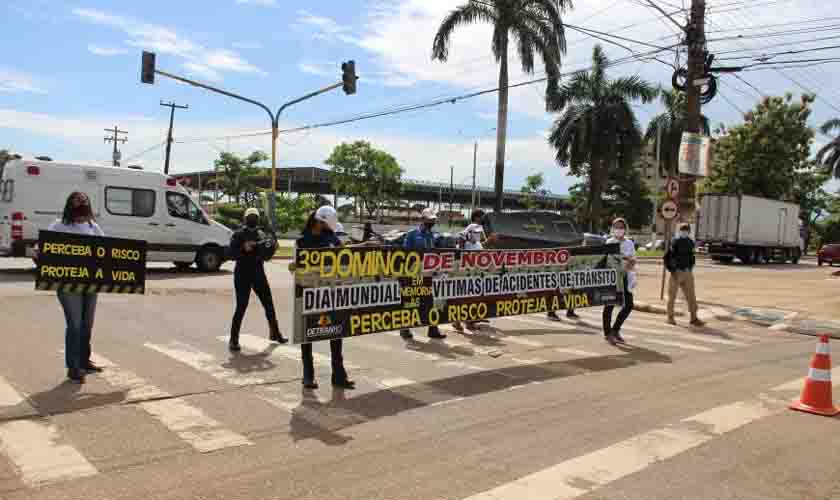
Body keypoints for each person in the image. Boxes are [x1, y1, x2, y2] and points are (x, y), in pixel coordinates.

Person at [48, 192, 105, 384]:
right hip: (67, 284)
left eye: (84, 200)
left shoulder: (93, 226)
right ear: (69, 204)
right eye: (76, 200)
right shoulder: (58, 225)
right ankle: (73, 367)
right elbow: (46, 248)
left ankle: (83, 360)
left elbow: (107, 250)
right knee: (75, 324)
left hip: (90, 282)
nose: (81, 203)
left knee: (87, 324)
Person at [297, 206, 354, 389]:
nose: (328, 227)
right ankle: (308, 375)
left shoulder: (330, 236)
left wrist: (364, 247)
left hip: (331, 293)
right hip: (308, 293)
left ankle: (338, 375)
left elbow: (344, 251)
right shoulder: (302, 241)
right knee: (308, 335)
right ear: (319, 222)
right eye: (325, 224)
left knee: (337, 332)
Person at [228, 207, 287, 352]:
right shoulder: (238, 234)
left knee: (268, 304)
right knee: (241, 306)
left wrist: (273, 247)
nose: (253, 219)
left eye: (255, 217)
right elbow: (231, 253)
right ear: (245, 219)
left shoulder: (261, 234)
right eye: (251, 216)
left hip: (258, 273)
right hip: (242, 274)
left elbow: (266, 255)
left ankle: (275, 333)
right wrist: (243, 248)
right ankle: (233, 339)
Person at [400, 208, 446, 340]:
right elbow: (405, 254)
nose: (432, 222)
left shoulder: (432, 235)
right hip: (413, 274)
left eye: (433, 220)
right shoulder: (412, 234)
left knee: (430, 302)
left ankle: (433, 329)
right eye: (429, 220)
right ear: (423, 219)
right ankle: (404, 328)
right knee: (410, 302)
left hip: (427, 275)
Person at [602, 218, 636, 345]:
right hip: (612, 277)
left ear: (625, 229)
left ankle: (615, 329)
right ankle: (607, 333)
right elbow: (605, 260)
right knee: (609, 305)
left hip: (625, 277)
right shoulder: (609, 242)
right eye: (616, 226)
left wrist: (630, 262)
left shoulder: (629, 243)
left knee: (629, 305)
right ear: (612, 228)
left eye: (621, 227)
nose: (619, 229)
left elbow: (633, 260)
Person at [664, 222, 705, 327]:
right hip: (676, 272)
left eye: (686, 230)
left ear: (689, 232)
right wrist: (673, 270)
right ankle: (670, 317)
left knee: (691, 296)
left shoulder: (690, 242)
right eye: (682, 229)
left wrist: (690, 268)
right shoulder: (674, 242)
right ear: (679, 231)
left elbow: (692, 256)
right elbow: (667, 257)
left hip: (687, 272)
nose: (684, 231)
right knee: (672, 296)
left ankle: (694, 318)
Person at [452, 210, 486, 332]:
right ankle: (460, 321)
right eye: (482, 217)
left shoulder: (477, 229)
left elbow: (478, 244)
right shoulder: (473, 226)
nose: (483, 219)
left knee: (470, 295)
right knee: (467, 295)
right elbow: (461, 237)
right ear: (477, 218)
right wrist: (462, 254)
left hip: (474, 267)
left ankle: (467, 321)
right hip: (469, 268)